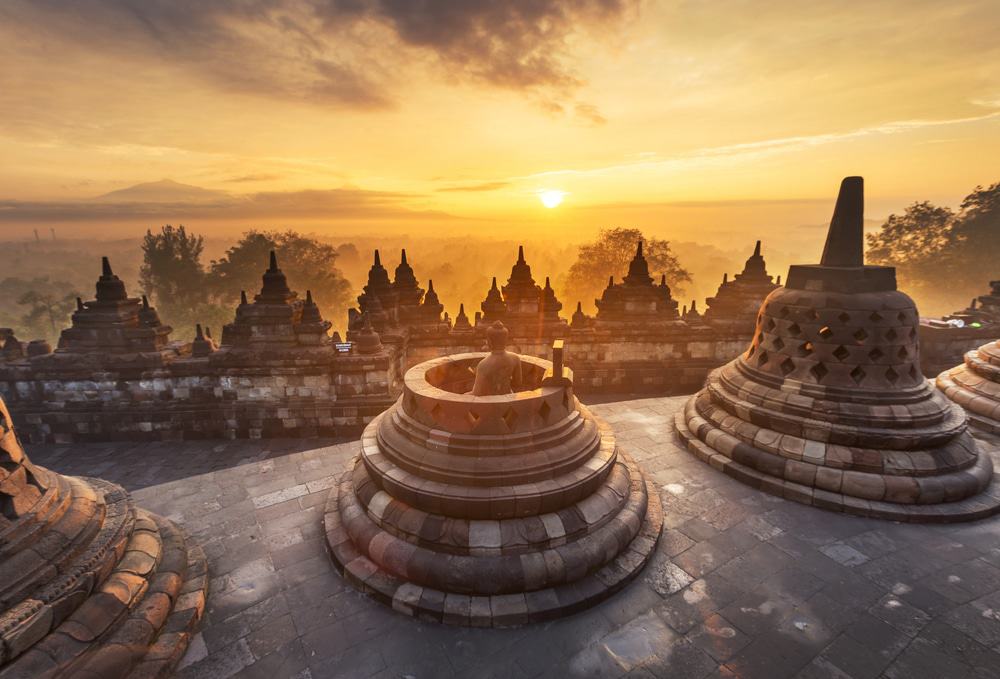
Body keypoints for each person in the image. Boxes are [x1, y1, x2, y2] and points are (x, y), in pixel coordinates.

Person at [471, 321, 522, 395]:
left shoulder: (483, 365)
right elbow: (518, 383)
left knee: (464, 396)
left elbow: (476, 393)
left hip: (490, 402)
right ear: (505, 341)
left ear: (489, 342)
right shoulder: (515, 358)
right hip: (508, 397)